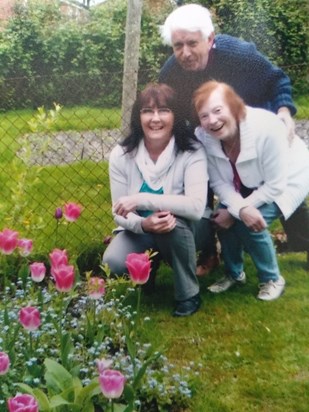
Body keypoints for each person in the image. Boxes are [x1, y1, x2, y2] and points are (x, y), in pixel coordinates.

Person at [159, 3, 300, 277]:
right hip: (210, 134)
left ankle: (302, 244)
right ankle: (211, 253)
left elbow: (277, 80)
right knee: (206, 185)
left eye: (191, 43)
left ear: (210, 39)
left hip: (257, 128)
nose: (185, 53)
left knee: (281, 185)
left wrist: (284, 112)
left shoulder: (238, 54)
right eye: (177, 46)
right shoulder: (170, 73)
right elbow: (172, 112)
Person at [193, 80, 309, 300]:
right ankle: (234, 274)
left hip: (288, 177)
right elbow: (219, 182)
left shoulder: (268, 128)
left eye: (218, 110)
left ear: (235, 107)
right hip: (245, 182)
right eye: (204, 115)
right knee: (221, 219)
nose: (212, 121)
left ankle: (272, 279)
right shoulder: (205, 136)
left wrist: (241, 210)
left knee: (251, 224)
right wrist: (237, 208)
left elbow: (275, 185)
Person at [102, 83, 208, 317]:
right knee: (113, 262)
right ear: (138, 117)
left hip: (187, 228)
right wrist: (142, 224)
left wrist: (143, 199)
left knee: (172, 224)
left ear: (175, 115)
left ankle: (188, 294)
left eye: (164, 110)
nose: (155, 119)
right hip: (142, 229)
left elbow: (196, 207)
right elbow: (119, 210)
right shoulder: (121, 155)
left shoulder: (192, 151)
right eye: (147, 111)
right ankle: (147, 269)